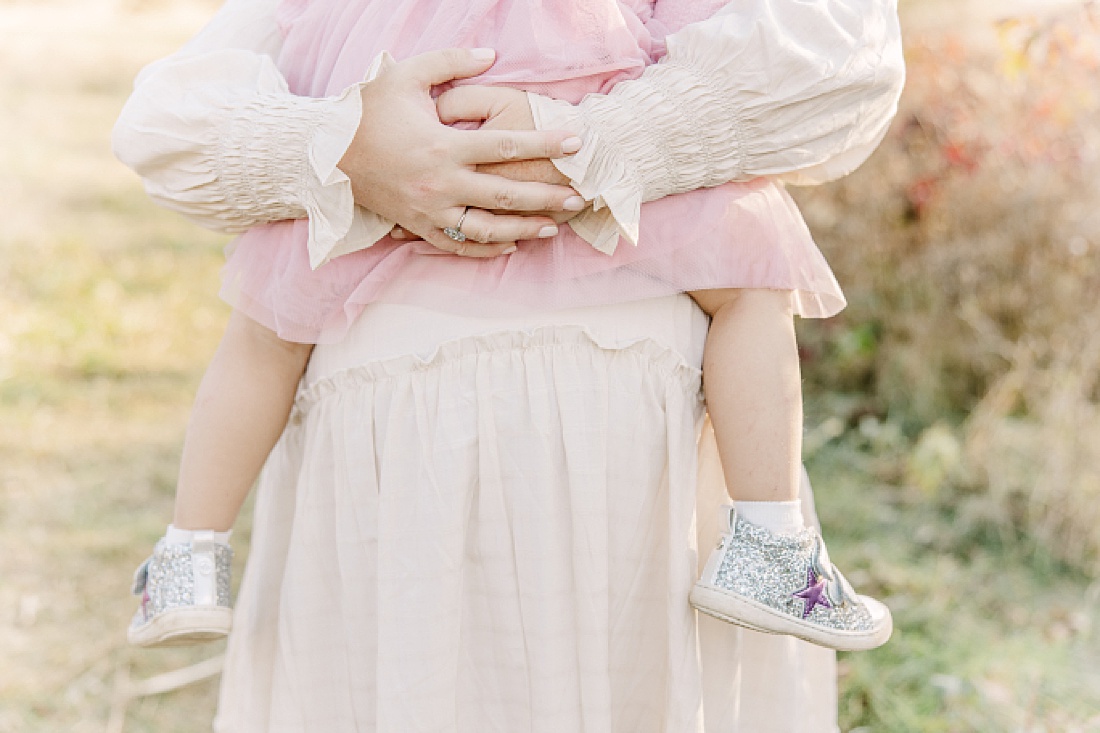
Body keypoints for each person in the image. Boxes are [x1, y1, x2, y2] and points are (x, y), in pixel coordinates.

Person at [113, 0, 905, 729]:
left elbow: (833, 56)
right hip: (532, 143)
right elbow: (172, 125)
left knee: (264, 330)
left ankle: (190, 548)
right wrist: (348, 146)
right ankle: (770, 540)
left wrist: (343, 140)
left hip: (442, 126)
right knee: (750, 277)